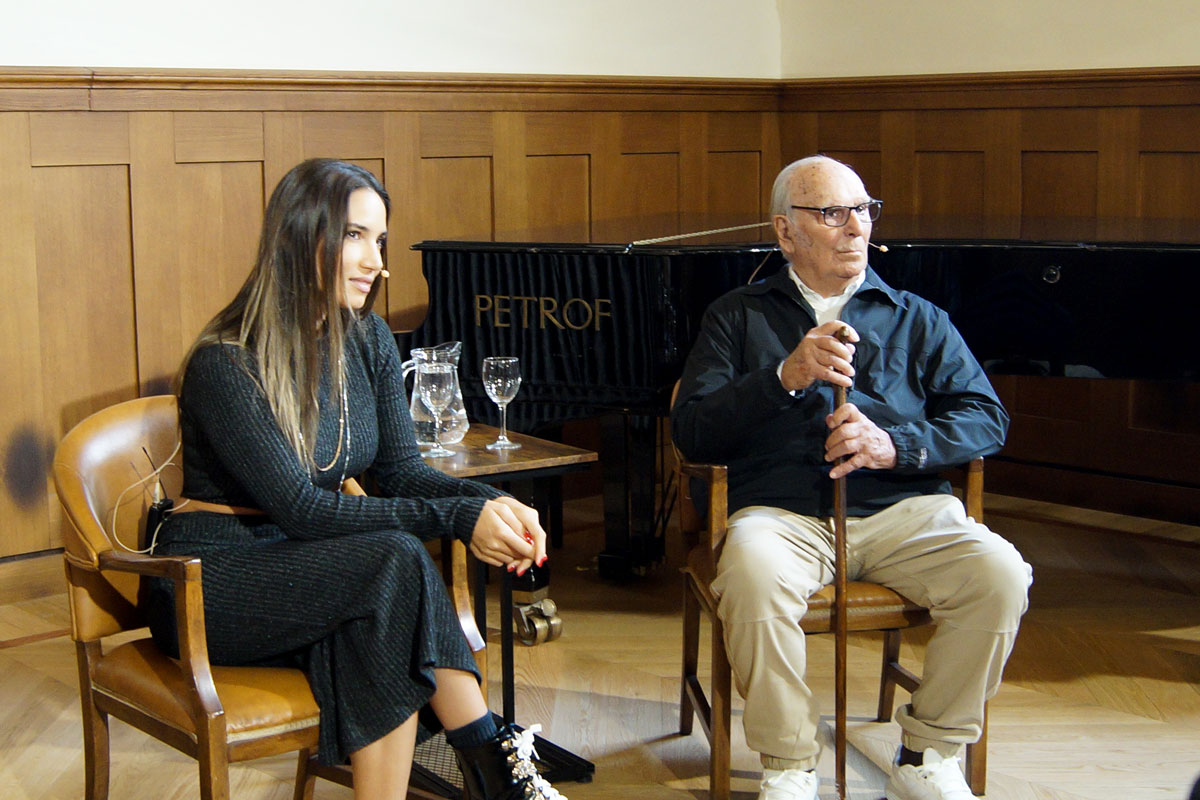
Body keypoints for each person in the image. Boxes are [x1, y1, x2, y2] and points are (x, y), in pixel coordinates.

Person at [144, 158, 566, 800]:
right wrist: (461, 518)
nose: (377, 262)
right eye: (354, 236)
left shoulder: (367, 338)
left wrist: (495, 502)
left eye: (381, 240)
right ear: (300, 236)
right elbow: (303, 509)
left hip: (311, 568)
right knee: (393, 561)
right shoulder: (225, 362)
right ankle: (495, 767)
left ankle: (489, 772)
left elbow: (401, 472)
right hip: (210, 580)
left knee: (380, 620)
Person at [671, 155, 1032, 800]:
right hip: (783, 516)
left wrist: (896, 445)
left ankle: (927, 754)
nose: (856, 226)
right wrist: (783, 376)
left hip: (904, 513)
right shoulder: (736, 315)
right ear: (786, 231)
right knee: (751, 575)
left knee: (1000, 575)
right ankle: (789, 765)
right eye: (833, 213)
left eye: (863, 210)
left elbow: (986, 418)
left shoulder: (918, 317)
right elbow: (694, 429)